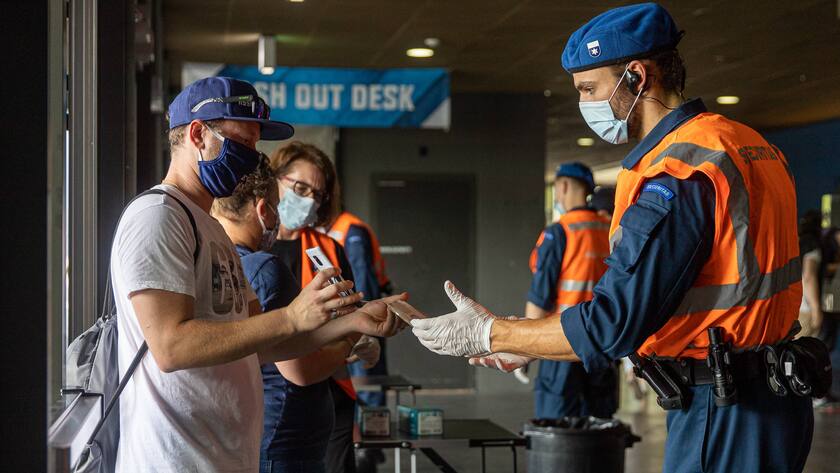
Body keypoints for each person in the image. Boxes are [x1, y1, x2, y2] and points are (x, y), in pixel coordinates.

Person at [412, 4, 813, 472]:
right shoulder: (747, 144)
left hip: (722, 408)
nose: (585, 105)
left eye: (589, 89)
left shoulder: (680, 172)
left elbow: (615, 321)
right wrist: (527, 342)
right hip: (774, 394)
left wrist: (490, 332)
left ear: (637, 77)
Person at [111, 77, 401, 472]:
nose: (251, 158)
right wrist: (291, 316)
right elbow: (171, 346)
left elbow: (260, 343)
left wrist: (350, 324)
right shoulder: (158, 217)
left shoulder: (211, 228)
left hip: (225, 457)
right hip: (177, 460)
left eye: (254, 145)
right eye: (242, 144)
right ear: (198, 134)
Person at [212, 161, 394, 473]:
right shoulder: (263, 268)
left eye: (317, 194)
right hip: (283, 435)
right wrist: (351, 335)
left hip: (247, 427)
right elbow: (300, 367)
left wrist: (351, 326)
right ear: (263, 210)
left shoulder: (216, 264)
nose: (305, 201)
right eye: (294, 192)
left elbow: (271, 345)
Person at [268, 141, 367, 473]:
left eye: (317, 194)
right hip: (268, 397)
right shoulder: (246, 247)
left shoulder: (329, 251)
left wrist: (358, 338)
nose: (307, 199)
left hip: (327, 389)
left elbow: (352, 314)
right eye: (299, 187)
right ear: (274, 180)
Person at [525, 163, 616, 419]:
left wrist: (525, 348)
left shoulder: (560, 232)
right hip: (602, 343)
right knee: (599, 425)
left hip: (561, 342)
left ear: (563, 187)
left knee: (557, 426)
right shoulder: (608, 230)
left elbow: (540, 297)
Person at [328, 210, 392, 406]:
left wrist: (362, 319)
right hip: (347, 316)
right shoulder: (336, 229)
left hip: (361, 316)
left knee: (366, 374)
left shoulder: (351, 229)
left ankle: (372, 429)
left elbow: (362, 277)